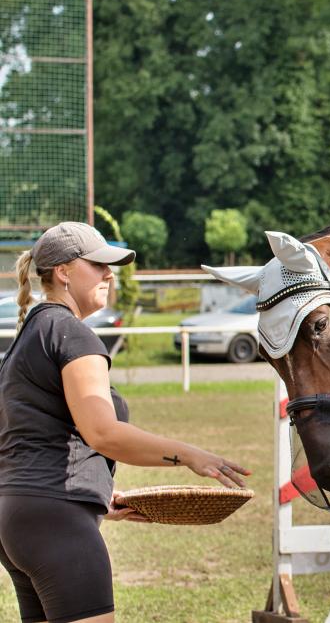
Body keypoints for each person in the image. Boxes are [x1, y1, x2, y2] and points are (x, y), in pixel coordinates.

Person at [0, 222, 251, 623]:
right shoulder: (70, 334)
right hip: (55, 518)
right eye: (98, 265)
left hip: (18, 517)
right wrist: (190, 455)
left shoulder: (29, 336)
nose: (109, 274)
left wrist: (94, 492)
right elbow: (103, 433)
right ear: (63, 272)